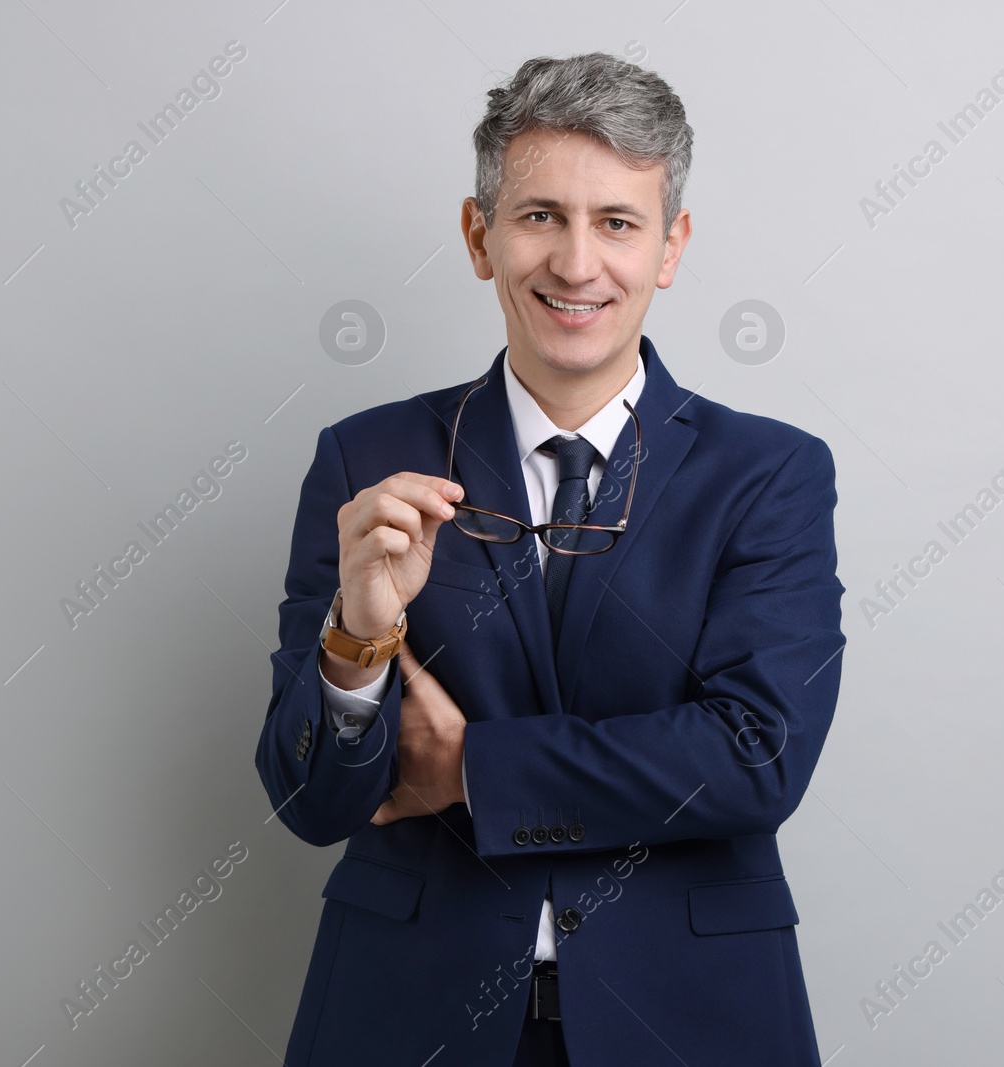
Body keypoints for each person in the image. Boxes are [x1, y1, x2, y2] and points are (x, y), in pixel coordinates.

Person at [256, 52, 845, 1067]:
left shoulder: (769, 473)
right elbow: (311, 801)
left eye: (617, 222)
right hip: (407, 1009)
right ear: (479, 236)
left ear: (671, 247)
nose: (576, 265)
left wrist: (470, 766)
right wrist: (356, 643)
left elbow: (753, 756)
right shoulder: (368, 460)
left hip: (690, 1010)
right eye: (539, 216)